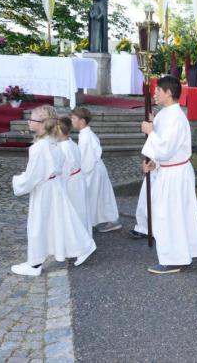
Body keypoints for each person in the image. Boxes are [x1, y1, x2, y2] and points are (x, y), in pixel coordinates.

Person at [10, 106, 96, 276]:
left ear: (43, 123)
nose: (29, 122)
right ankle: (83, 246)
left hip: (44, 190)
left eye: (32, 119)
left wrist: (17, 181)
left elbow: (32, 177)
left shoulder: (39, 147)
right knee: (58, 222)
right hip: (52, 187)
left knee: (38, 225)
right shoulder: (52, 141)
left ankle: (34, 265)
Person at [136, 75, 197, 274]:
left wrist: (150, 132)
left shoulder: (176, 117)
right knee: (172, 214)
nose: (154, 94)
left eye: (158, 91)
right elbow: (164, 151)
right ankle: (183, 252)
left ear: (169, 93)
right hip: (168, 169)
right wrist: (154, 163)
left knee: (169, 216)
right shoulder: (163, 114)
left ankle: (174, 259)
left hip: (176, 173)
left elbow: (166, 148)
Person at [70, 107, 120, 233]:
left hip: (92, 170)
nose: (72, 120)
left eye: (74, 118)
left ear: (82, 121)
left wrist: (80, 174)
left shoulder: (86, 136)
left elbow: (86, 159)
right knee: (100, 195)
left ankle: (89, 222)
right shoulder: (85, 134)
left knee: (91, 196)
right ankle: (107, 220)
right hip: (95, 168)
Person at [55, 117, 91, 234]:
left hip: (71, 183)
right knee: (80, 208)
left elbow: (64, 172)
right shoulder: (70, 143)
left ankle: (77, 235)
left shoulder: (64, 149)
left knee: (74, 209)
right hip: (77, 180)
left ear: (59, 131)